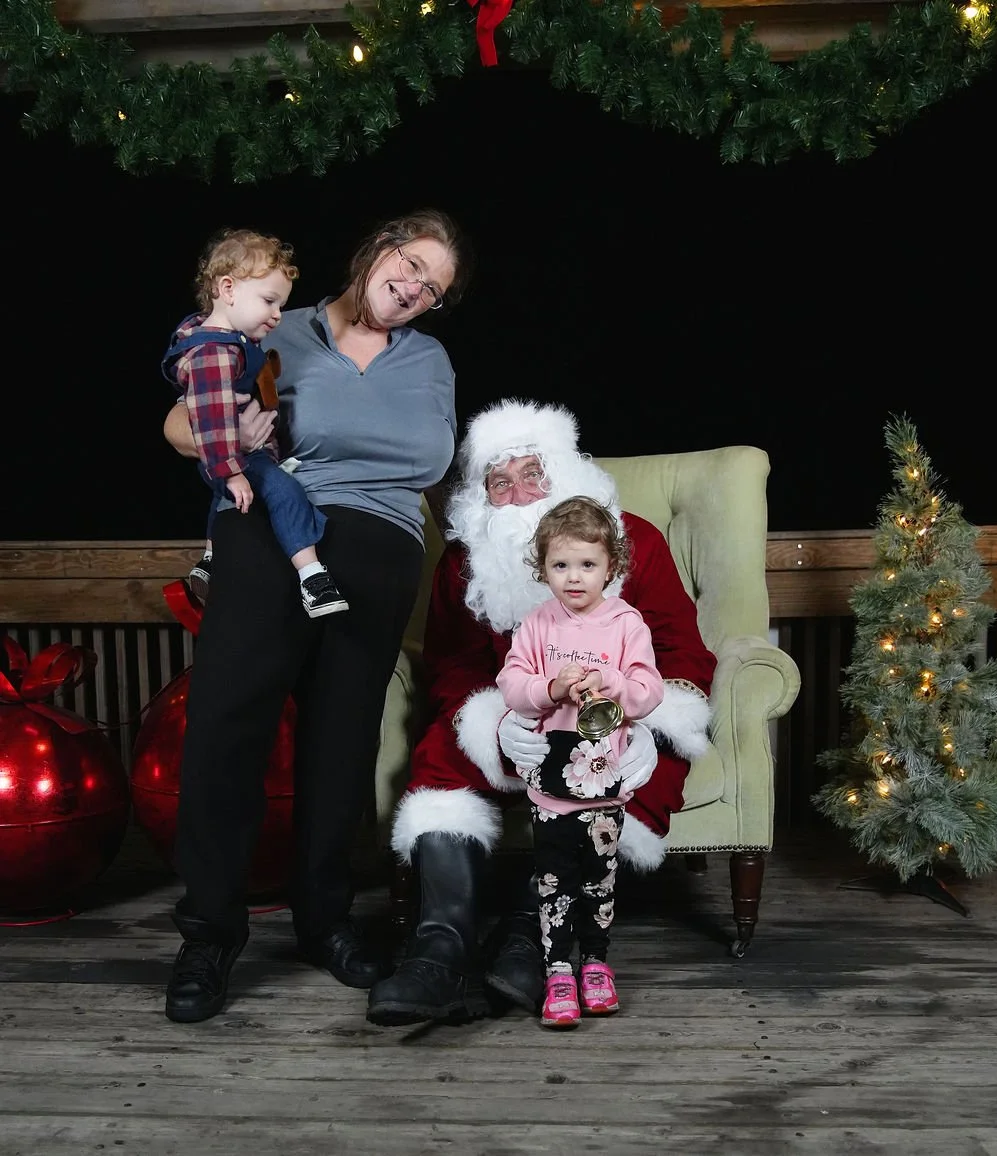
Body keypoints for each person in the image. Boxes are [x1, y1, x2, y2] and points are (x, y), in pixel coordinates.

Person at [160, 208, 473, 1024]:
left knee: (343, 736)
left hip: (384, 543)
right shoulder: (273, 325)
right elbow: (180, 418)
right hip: (274, 523)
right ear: (377, 248)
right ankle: (210, 932)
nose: (413, 289)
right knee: (228, 718)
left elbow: (441, 470)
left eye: (432, 289)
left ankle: (324, 921)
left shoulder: (429, 360)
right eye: (409, 264)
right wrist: (217, 436)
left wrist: (487, 545)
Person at [366, 398, 718, 1028]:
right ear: (482, 498)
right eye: (499, 482)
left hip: (618, 717)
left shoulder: (634, 540)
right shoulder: (463, 563)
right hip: (521, 707)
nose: (517, 493)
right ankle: (438, 949)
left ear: (565, 476)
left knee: (638, 773)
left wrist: (638, 721)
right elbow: (455, 664)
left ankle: (530, 937)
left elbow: (682, 651)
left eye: (533, 474)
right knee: (442, 755)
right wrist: (495, 721)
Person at [496, 495, 665, 1028]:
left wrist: (612, 681)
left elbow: (647, 690)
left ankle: (595, 962)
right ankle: (556, 971)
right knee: (554, 878)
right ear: (542, 567)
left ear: (611, 567)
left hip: (606, 779)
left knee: (598, 878)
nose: (574, 578)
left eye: (587, 565)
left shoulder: (626, 624)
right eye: (560, 565)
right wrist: (550, 686)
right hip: (550, 781)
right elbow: (511, 683)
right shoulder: (537, 624)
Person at [162, 228, 349, 618]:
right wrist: (231, 472)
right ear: (228, 289)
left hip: (229, 458)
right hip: (231, 456)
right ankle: (312, 577)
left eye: (281, 304)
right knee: (285, 493)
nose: (277, 315)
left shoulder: (226, 341)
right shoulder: (213, 350)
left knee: (224, 500)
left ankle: (211, 561)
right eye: (269, 301)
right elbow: (212, 421)